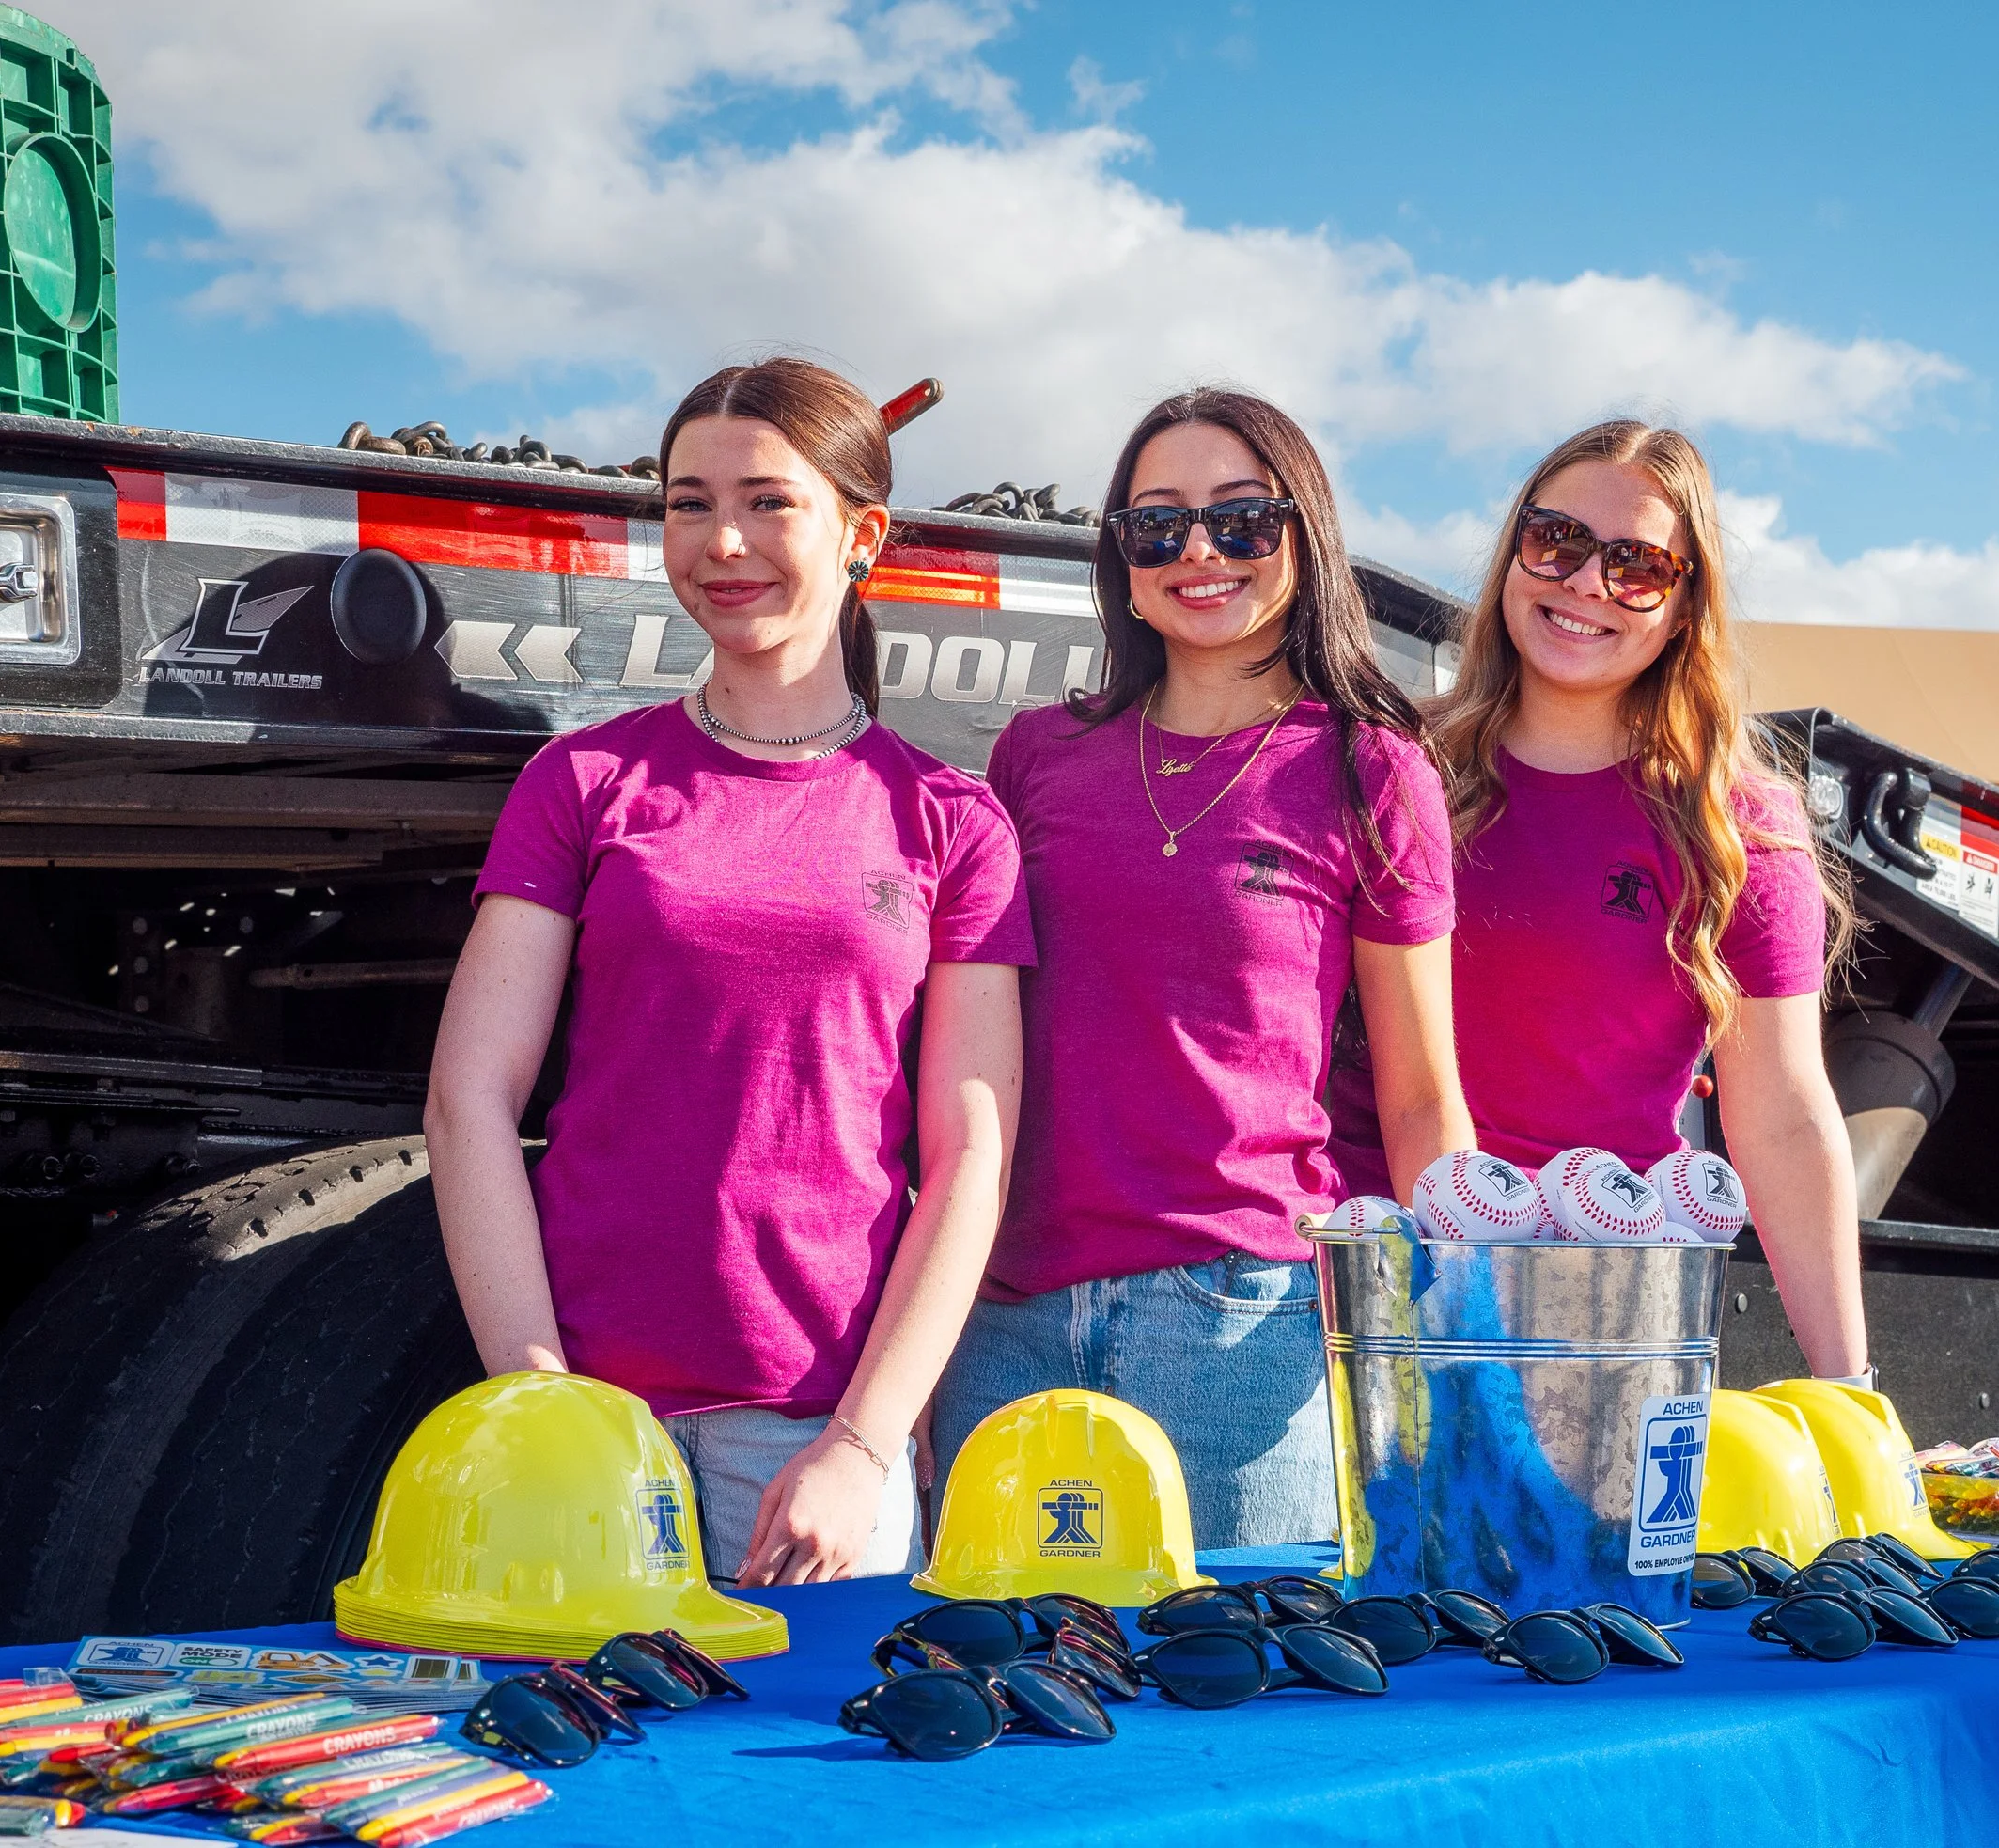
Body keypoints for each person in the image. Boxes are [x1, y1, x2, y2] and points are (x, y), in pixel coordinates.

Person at [425, 358, 1034, 1586]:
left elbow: (971, 1157)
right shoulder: (584, 786)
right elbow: (468, 1100)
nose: (722, 541)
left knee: (811, 1778)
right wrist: (540, 1403)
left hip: (811, 1442)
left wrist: (862, 1446)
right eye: (687, 501)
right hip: (592, 1433)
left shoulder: (951, 820)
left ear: (863, 534)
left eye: (768, 501)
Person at [931, 387, 1475, 1546]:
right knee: (1000, 1688)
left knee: (1246, 1699)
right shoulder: (1037, 754)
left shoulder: (1372, 770)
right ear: (1120, 553)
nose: (1197, 553)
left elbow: (1422, 1095)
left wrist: (1466, 1351)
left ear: (1304, 534)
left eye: (1240, 520)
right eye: (1156, 524)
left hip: (1243, 1322)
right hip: (1003, 1317)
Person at [1330, 420, 1869, 1380]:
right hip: (1371, 1296)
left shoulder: (1736, 823)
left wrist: (1847, 1386)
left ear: (1683, 603)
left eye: (1636, 565)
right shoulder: (1397, 769)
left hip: (1594, 1324)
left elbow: (1782, 1114)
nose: (1585, 585)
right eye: (1557, 541)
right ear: (1513, 555)